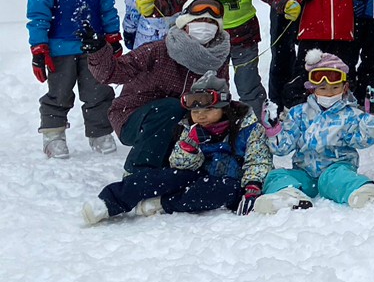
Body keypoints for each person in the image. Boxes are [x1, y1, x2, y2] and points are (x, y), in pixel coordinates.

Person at [151, 0, 296, 123]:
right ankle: (216, 125)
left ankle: (257, 125)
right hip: (212, 41)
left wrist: (284, 3)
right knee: (214, 85)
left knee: (248, 85)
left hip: (244, 38)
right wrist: (157, 6)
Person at [83, 74, 271, 223]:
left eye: (208, 111)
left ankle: (163, 204)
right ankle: (108, 202)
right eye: (196, 112)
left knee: (223, 191)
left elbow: (258, 159)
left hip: (229, 181)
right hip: (195, 175)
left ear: (224, 108)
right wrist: (190, 145)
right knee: (161, 178)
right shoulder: (190, 127)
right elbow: (178, 164)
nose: (201, 117)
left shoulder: (247, 126)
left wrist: (252, 185)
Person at [86, 0, 231, 172]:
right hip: (133, 117)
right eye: (199, 20)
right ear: (185, 24)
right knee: (173, 107)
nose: (205, 26)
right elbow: (111, 73)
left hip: (184, 123)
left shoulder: (217, 59)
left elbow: (219, 98)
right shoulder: (158, 50)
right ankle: (138, 173)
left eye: (210, 22)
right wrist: (98, 50)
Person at [28, 0, 118, 158]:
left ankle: (100, 133)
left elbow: (107, 8)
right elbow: (38, 17)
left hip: (94, 47)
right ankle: (53, 135)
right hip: (60, 49)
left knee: (98, 91)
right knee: (59, 93)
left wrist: (112, 37)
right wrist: (39, 48)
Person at [256, 50, 374, 213]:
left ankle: (364, 192)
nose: (329, 93)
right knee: (276, 175)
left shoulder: (349, 116)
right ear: (312, 89)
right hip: (305, 173)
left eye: (335, 88)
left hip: (336, 169)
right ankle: (288, 196)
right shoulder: (298, 114)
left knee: (339, 178)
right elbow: (282, 148)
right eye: (323, 88)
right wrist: (274, 129)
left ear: (345, 88)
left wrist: (372, 117)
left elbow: (364, 139)